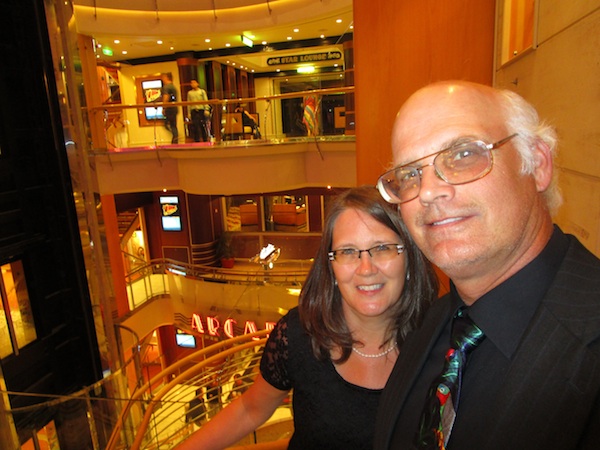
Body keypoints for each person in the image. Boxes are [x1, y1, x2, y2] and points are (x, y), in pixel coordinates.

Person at [374, 80, 600, 449]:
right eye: (410, 174)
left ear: (538, 164)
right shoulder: (434, 322)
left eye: (463, 154)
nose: (428, 191)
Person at [175, 185, 438, 450]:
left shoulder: (442, 340)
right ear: (331, 266)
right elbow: (250, 408)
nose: (366, 268)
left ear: (408, 258)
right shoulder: (299, 334)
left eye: (382, 248)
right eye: (347, 252)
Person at [161, 73, 179, 144]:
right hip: (174, 108)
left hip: (169, 109)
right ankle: (175, 139)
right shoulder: (173, 87)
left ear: (166, 77)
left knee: (166, 124)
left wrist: (164, 108)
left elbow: (166, 98)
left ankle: (175, 138)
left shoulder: (166, 87)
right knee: (173, 125)